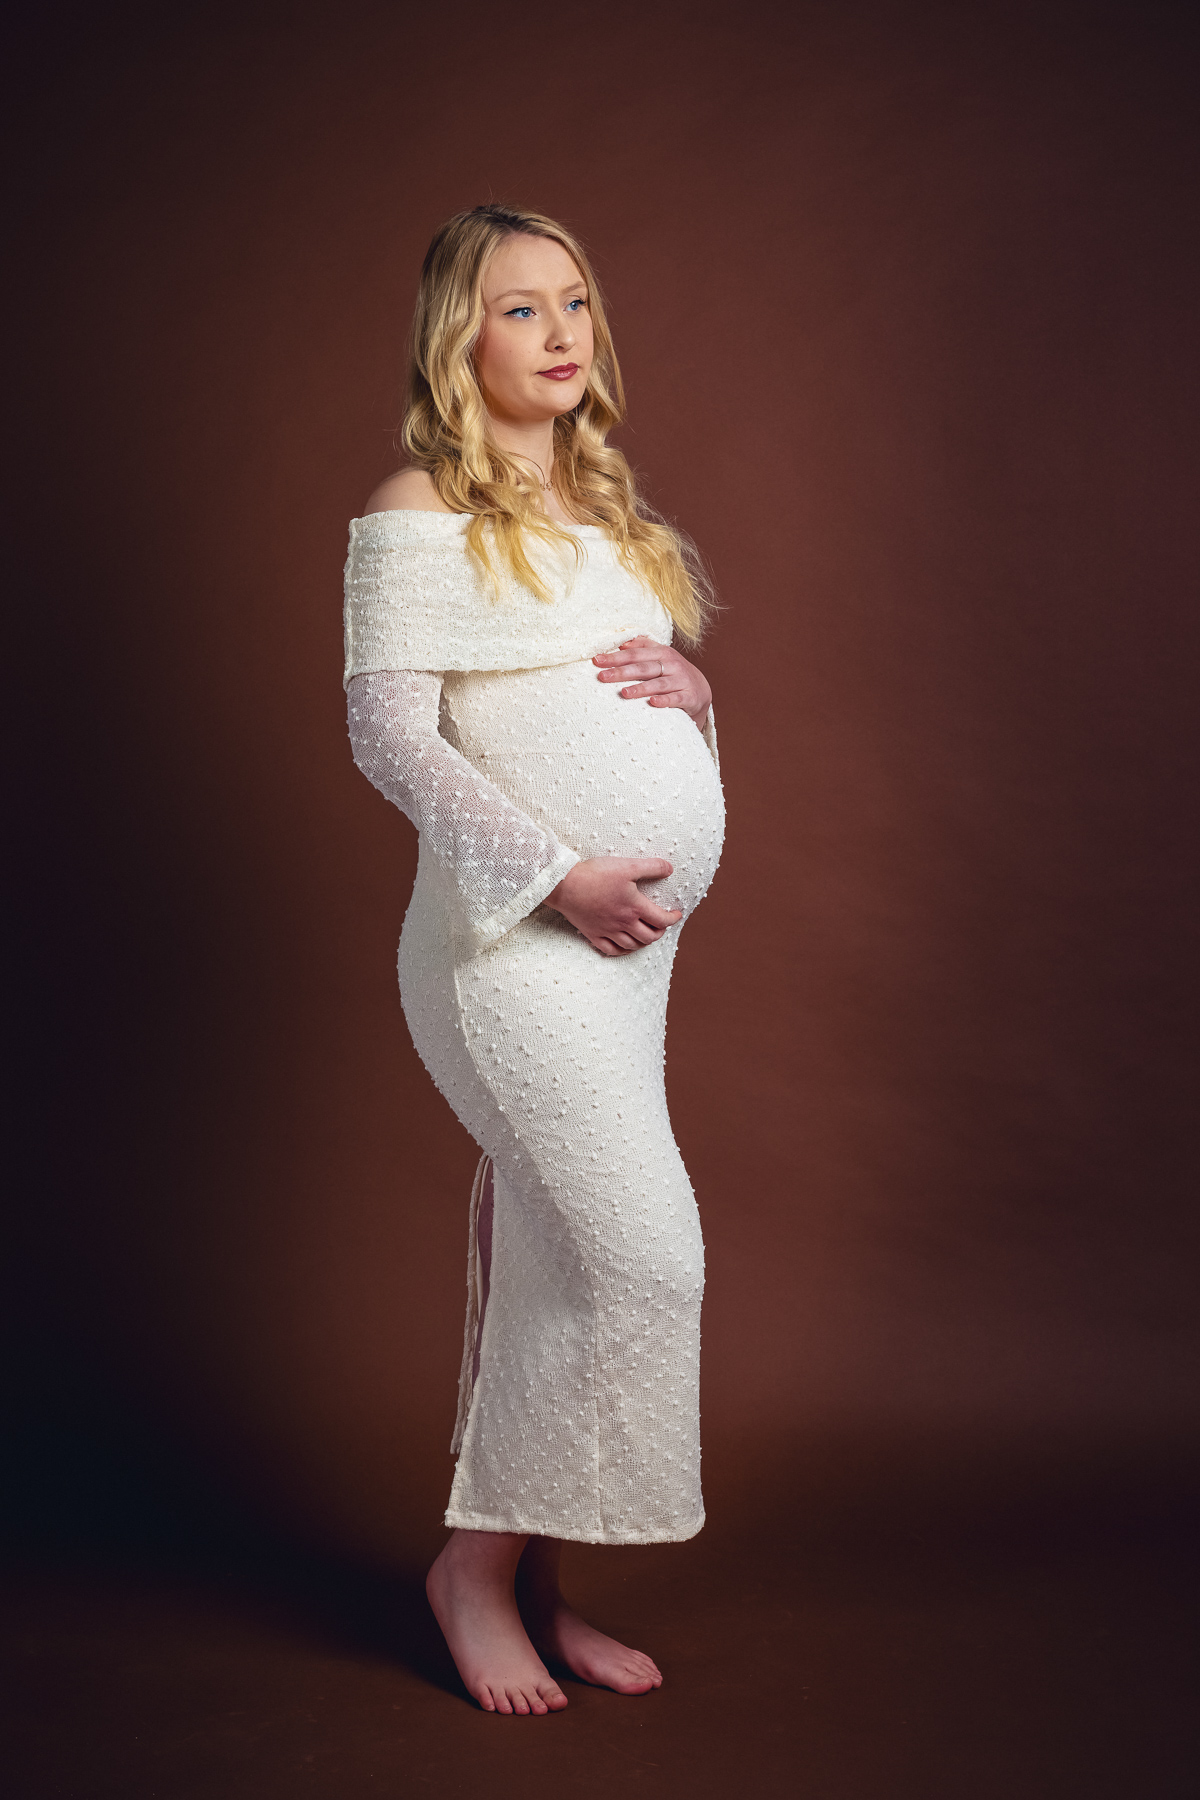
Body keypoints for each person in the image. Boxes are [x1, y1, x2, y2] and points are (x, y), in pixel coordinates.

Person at [344, 202, 724, 1715]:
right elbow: (388, 737)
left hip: (629, 966)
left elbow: (616, 694)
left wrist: (694, 692)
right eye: (520, 308)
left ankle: (537, 1583)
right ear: (461, 335)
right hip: (508, 947)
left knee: (559, 1267)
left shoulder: (605, 505)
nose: (561, 332)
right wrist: (559, 875)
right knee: (643, 1255)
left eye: (573, 300)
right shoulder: (417, 505)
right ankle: (474, 1573)